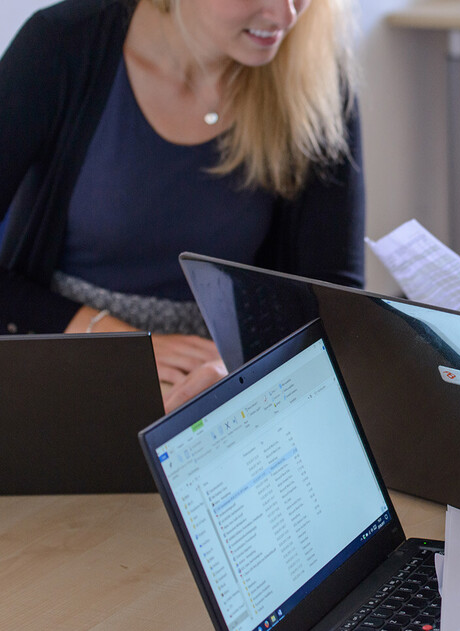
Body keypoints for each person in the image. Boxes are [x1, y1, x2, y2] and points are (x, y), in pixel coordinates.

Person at [0, 0, 365, 411]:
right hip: (61, 355)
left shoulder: (311, 70)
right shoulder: (60, 43)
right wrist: (112, 337)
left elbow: (335, 297)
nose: (286, 17)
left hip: (221, 382)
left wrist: (242, 365)